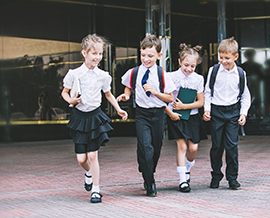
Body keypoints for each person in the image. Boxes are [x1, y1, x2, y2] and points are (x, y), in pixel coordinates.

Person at [61, 34, 128, 203]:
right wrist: (70, 100)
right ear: (84, 53)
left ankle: (96, 191)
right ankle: (88, 173)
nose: (98, 57)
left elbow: (108, 94)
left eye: (100, 54)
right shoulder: (74, 74)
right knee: (81, 158)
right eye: (94, 53)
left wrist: (119, 109)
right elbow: (64, 92)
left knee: (93, 155)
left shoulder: (103, 76)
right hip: (79, 117)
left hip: (95, 116)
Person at [117, 35, 175, 197]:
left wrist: (156, 92)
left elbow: (170, 97)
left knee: (155, 149)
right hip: (142, 114)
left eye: (150, 56)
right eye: (143, 55)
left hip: (158, 114)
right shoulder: (134, 72)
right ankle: (150, 183)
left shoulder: (162, 74)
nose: (146, 59)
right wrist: (126, 95)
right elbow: (128, 87)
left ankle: (147, 168)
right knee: (146, 147)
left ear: (159, 56)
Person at [203, 37, 251, 190]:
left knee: (232, 147)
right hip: (216, 111)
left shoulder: (240, 73)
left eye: (227, 58)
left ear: (235, 57)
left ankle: (232, 178)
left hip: (232, 112)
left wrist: (243, 113)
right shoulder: (214, 70)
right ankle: (216, 175)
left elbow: (245, 96)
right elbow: (207, 92)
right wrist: (207, 109)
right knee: (217, 146)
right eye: (221, 57)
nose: (223, 61)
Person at [165, 43, 207, 192]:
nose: (189, 69)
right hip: (176, 116)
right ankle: (183, 180)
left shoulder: (198, 79)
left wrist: (184, 107)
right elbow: (166, 98)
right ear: (180, 62)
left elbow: (201, 102)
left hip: (193, 116)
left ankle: (187, 167)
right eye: (186, 65)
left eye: (192, 66)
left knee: (193, 148)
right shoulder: (170, 77)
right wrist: (172, 111)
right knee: (182, 146)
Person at [240, 49, 265, 118]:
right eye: (249, 55)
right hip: (246, 87)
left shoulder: (258, 66)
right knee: (246, 100)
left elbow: (263, 76)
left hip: (256, 87)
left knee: (257, 100)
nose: (250, 57)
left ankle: (258, 113)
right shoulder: (243, 66)